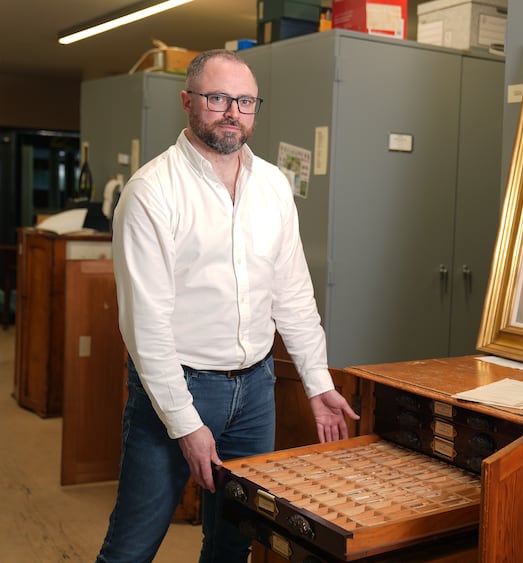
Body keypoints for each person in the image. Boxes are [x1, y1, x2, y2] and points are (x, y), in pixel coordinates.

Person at [96, 49, 359, 563]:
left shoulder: (274, 187)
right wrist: (185, 423)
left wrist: (318, 383)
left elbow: (294, 296)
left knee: (233, 541)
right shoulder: (152, 192)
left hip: (256, 390)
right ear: (188, 101)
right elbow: (145, 326)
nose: (231, 112)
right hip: (177, 386)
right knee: (133, 543)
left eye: (245, 101)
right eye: (217, 98)